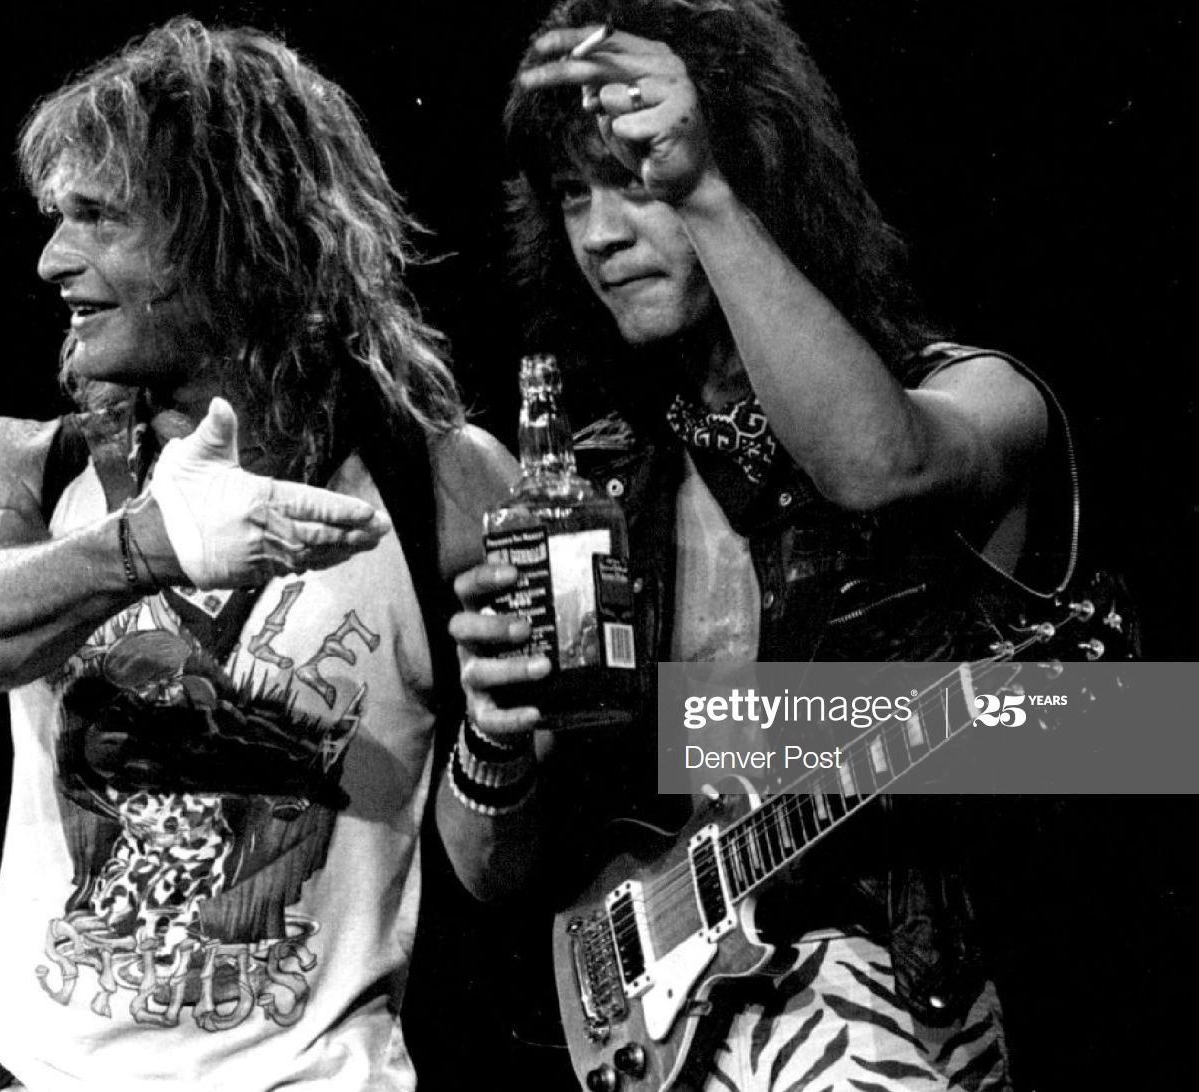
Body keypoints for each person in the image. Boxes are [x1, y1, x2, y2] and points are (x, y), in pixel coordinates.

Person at [436, 1, 1079, 1088]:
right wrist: (492, 738)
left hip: (886, 1013)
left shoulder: (979, 394)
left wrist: (702, 190)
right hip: (661, 1038)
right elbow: (490, 876)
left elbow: (876, 464)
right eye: (574, 196)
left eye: (634, 180)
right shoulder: (593, 484)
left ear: (752, 170)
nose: (598, 235)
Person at [0, 19, 515, 1090]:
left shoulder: (445, 486)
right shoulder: (20, 468)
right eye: (59, 218)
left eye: (99, 218)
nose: (53, 262)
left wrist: (507, 748)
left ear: (233, 234)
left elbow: (501, 873)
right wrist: (148, 545)